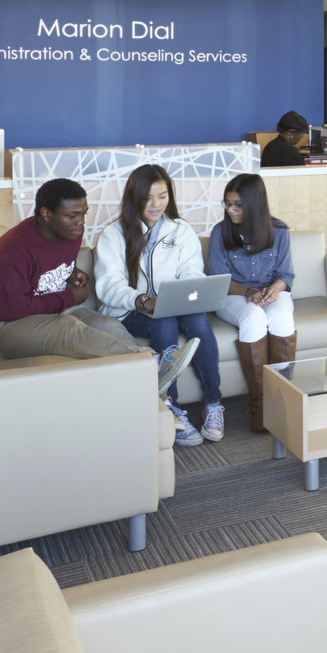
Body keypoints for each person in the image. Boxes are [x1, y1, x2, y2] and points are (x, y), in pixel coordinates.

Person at [0, 178, 197, 398]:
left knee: (107, 323)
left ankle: (150, 393)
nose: (81, 222)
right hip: (1, 329)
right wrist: (69, 296)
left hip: (47, 312)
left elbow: (47, 260)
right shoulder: (11, 251)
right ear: (46, 214)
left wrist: (71, 272)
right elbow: (9, 310)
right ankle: (152, 365)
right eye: (73, 216)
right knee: (66, 328)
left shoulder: (70, 232)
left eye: (83, 214)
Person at [96, 164, 225, 446]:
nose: (156, 204)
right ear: (134, 197)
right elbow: (108, 286)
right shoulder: (113, 234)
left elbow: (192, 272)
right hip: (128, 311)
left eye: (163, 195)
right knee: (163, 321)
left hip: (172, 305)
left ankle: (213, 404)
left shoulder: (180, 230)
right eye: (148, 197)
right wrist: (141, 300)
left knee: (199, 322)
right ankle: (171, 409)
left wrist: (183, 294)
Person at [207, 173, 296, 432]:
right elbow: (218, 280)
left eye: (237, 205)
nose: (230, 210)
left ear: (255, 204)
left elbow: (286, 275)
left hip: (272, 292)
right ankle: (260, 404)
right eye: (227, 203)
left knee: (281, 318)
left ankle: (282, 398)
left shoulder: (279, 231)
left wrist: (276, 289)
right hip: (232, 295)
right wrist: (248, 291)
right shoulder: (219, 233)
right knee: (253, 316)